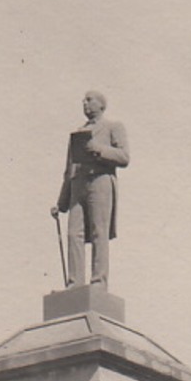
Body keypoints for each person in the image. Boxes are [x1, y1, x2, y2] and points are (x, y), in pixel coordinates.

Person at [51, 92, 129, 289]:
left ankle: (98, 281)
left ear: (102, 104)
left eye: (89, 99)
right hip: (78, 185)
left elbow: (124, 157)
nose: (84, 103)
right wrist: (61, 203)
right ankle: (74, 282)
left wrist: (99, 149)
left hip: (100, 181)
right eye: (83, 101)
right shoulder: (78, 134)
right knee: (73, 234)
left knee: (98, 232)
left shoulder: (113, 127)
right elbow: (69, 169)